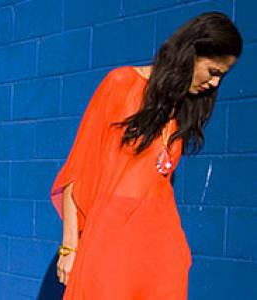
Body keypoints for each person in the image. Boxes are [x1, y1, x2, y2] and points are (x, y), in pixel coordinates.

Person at [50, 12, 242, 299]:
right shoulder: (120, 83)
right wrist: (69, 248)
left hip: (161, 254)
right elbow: (78, 169)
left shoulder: (181, 110)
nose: (214, 84)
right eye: (213, 71)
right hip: (110, 247)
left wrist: (179, 251)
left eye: (221, 77)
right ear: (192, 52)